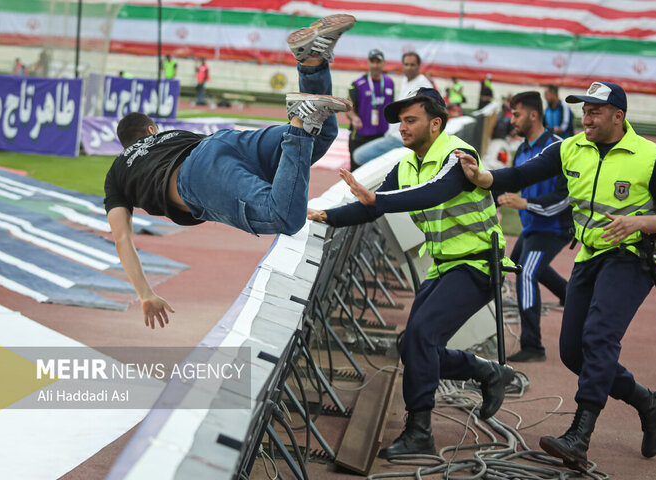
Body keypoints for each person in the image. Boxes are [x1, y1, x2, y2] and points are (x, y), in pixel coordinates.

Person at [457, 81, 656, 471]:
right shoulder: (570, 147)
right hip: (589, 254)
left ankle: (579, 436)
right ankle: (649, 402)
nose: (586, 118)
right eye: (583, 110)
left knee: (599, 336)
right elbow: (522, 173)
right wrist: (486, 179)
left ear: (618, 116)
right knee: (572, 353)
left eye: (595, 111)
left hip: (633, 257)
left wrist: (640, 223)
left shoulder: (651, 156)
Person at [104, 14, 355, 329]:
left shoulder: (116, 172)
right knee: (320, 135)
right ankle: (312, 63)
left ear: (124, 143)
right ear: (151, 129)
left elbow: (122, 237)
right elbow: (236, 166)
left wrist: (144, 293)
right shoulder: (168, 135)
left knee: (284, 218)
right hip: (221, 142)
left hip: (195, 177)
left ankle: (298, 119)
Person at [307, 88, 514, 459]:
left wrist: (379, 199)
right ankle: (486, 372)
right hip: (445, 266)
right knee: (410, 345)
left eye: (411, 120)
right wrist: (326, 216)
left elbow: (432, 194)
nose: (402, 127)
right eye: (400, 121)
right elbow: (372, 210)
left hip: (478, 265)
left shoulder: (457, 156)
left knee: (420, 337)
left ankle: (420, 432)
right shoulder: (405, 166)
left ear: (435, 124)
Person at [499, 91, 572, 363]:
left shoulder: (559, 148)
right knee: (519, 261)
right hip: (533, 226)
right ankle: (568, 293)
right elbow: (514, 181)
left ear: (532, 115)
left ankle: (533, 346)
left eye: (516, 114)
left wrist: (525, 203)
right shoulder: (522, 148)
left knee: (526, 272)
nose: (512, 120)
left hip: (554, 227)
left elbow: (565, 199)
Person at [351, 51, 434, 166]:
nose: (409, 68)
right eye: (406, 64)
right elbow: (350, 105)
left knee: (359, 156)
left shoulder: (420, 85)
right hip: (379, 133)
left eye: (412, 65)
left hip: (399, 138)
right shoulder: (358, 83)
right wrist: (354, 117)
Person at [346, 49, 394, 170]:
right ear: (368, 63)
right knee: (356, 172)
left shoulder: (389, 83)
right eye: (372, 62)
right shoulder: (358, 84)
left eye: (378, 62)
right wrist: (354, 118)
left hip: (381, 135)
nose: (375, 65)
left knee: (376, 171)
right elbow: (348, 108)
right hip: (360, 135)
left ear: (383, 63)